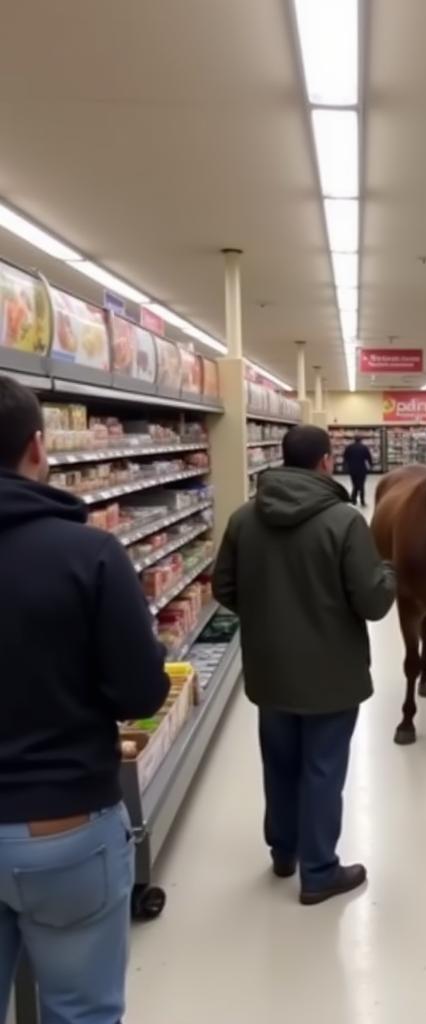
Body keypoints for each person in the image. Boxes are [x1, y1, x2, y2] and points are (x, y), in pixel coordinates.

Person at [0, 375, 169, 1022]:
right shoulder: (90, 554)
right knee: (79, 1012)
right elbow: (142, 691)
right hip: (64, 828)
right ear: (39, 449)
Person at [213, 425, 396, 905]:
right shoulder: (344, 521)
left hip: (269, 670)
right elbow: (374, 603)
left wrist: (267, 613)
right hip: (332, 674)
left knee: (279, 762)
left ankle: (283, 850)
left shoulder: (244, 519)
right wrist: (390, 573)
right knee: (322, 767)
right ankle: (318, 871)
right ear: (325, 461)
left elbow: (224, 589)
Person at [342, 435, 373, 508]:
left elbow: (345, 457)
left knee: (354, 484)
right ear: (361, 440)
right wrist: (371, 465)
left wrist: (344, 466)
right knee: (361, 485)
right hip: (362, 469)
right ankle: (362, 501)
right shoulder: (364, 447)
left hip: (352, 469)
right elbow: (368, 457)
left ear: (354, 439)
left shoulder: (349, 447)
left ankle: (353, 500)